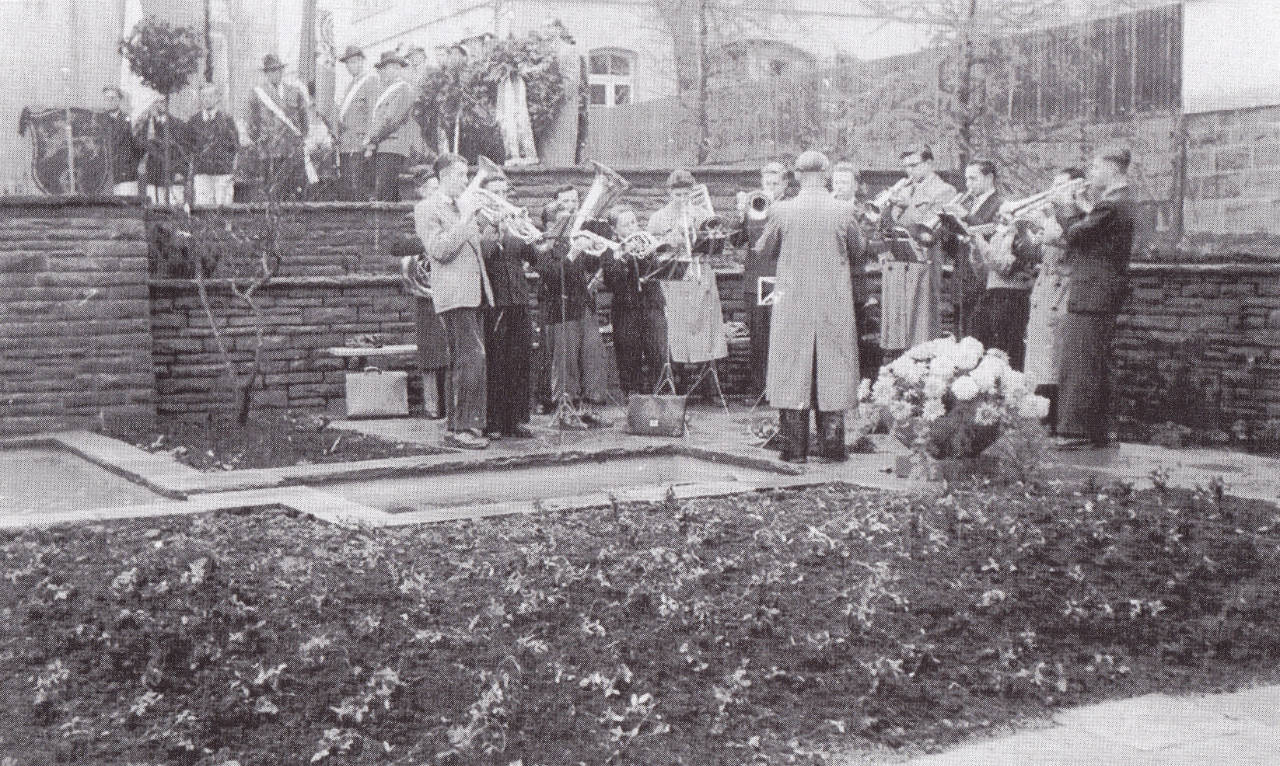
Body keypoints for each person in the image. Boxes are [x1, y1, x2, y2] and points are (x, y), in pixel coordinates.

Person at [756, 150, 866, 464]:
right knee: (834, 367)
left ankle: (794, 449)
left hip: (792, 302)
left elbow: (764, 249)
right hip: (833, 302)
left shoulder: (781, 209)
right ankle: (832, 447)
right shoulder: (843, 209)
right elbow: (859, 250)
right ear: (827, 174)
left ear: (799, 176)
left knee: (792, 367)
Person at [1056, 148, 1136, 449]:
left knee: (1079, 362)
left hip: (1093, 292)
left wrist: (1066, 208)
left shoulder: (1113, 205)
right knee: (1094, 361)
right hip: (1101, 292)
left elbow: (1077, 236)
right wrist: (1082, 206)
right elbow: (1095, 233)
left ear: (1112, 169)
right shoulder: (1116, 203)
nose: (1090, 173)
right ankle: (1096, 430)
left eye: (1095, 167)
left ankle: (1075, 431)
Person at [415, 153, 494, 449]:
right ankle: (462, 428)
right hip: (454, 294)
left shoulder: (458, 208)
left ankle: (460, 426)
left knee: (468, 359)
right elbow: (439, 250)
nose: (467, 180)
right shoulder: (427, 208)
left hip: (472, 292)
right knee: (470, 358)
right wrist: (466, 219)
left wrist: (490, 224)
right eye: (462, 175)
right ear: (445, 176)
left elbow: (475, 252)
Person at [536, 186, 610, 426]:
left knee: (592, 355)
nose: (568, 227)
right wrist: (572, 254)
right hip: (559, 309)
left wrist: (602, 247)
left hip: (582, 305)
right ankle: (565, 408)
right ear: (549, 225)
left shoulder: (573, 241)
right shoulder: (542, 246)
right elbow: (551, 276)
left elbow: (595, 262)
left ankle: (588, 406)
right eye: (562, 222)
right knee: (565, 360)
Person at [1024, 167, 1086, 433]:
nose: (1054, 191)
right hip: (1044, 287)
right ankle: (1040, 415)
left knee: (1055, 354)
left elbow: (1073, 245)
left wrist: (1049, 223)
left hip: (1063, 289)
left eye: (1061, 185)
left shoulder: (1081, 215)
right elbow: (1037, 253)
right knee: (1039, 356)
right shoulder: (1054, 214)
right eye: (1054, 185)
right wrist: (1027, 231)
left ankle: (1055, 417)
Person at [878, 145, 956, 357]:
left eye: (914, 165)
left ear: (929, 164)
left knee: (922, 322)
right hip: (899, 264)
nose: (909, 171)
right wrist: (884, 207)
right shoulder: (904, 189)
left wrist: (907, 205)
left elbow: (931, 230)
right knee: (898, 326)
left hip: (924, 264)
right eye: (906, 167)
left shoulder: (944, 190)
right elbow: (888, 226)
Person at [478, 171, 536, 438]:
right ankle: (494, 421)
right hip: (495, 300)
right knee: (497, 361)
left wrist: (532, 234)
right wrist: (497, 231)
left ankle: (516, 420)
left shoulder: (512, 222)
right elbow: (484, 255)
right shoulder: (480, 220)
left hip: (519, 298)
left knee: (520, 359)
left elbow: (532, 256)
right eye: (496, 193)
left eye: (504, 193)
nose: (502, 198)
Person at [736, 160, 793, 397]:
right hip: (755, 279)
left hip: (777, 279)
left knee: (778, 335)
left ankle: (779, 387)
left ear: (785, 184)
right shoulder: (752, 206)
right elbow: (736, 242)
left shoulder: (790, 207)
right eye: (766, 182)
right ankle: (759, 388)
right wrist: (741, 216)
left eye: (775, 183)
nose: (769, 187)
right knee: (758, 336)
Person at [600, 205, 668, 395]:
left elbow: (660, 271)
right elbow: (611, 281)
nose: (633, 228)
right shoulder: (609, 250)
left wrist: (652, 253)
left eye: (634, 223)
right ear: (614, 230)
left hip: (652, 306)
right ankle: (634, 403)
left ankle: (662, 404)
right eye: (626, 225)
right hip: (626, 310)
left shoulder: (647, 243)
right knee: (629, 359)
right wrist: (624, 257)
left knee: (659, 355)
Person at [403, 167, 450, 420]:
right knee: (431, 352)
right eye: (432, 189)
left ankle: (449, 406)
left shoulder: (444, 212)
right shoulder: (415, 216)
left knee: (449, 350)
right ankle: (433, 407)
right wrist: (430, 242)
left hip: (447, 290)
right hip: (426, 297)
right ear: (420, 192)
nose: (437, 193)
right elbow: (398, 246)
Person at [941, 158, 1003, 337]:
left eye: (973, 179)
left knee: (977, 338)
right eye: (966, 179)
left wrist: (965, 217)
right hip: (961, 280)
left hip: (980, 282)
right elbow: (956, 249)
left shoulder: (999, 203)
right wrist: (948, 228)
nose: (968, 184)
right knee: (960, 338)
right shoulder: (969, 204)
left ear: (989, 177)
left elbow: (991, 235)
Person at [248, 53, 308, 201]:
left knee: (294, 190)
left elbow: (304, 121)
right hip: (269, 151)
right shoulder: (257, 94)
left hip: (291, 150)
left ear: (282, 71)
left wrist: (299, 140)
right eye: (270, 71)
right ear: (266, 74)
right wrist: (261, 141)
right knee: (271, 191)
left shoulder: (295, 92)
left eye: (277, 70)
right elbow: (251, 124)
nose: (274, 74)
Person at [366, 51, 417, 202]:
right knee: (384, 191)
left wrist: (372, 138)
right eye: (382, 69)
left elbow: (391, 120)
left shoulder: (403, 89)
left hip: (394, 146)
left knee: (386, 192)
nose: (383, 73)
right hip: (384, 146)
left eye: (388, 69)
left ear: (397, 69)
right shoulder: (386, 92)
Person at [336, 45, 380, 200]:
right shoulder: (350, 85)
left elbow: (374, 114)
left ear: (362, 61)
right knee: (348, 186)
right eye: (348, 63)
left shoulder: (371, 81)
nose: (351, 66)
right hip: (346, 144)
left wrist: (370, 144)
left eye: (355, 61)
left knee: (358, 187)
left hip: (361, 144)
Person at [189, 84, 240, 207]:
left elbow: (234, 146)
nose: (207, 99)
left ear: (217, 98)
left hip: (222, 172)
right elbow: (189, 145)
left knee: (225, 208)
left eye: (210, 95)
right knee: (202, 208)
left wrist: (228, 164)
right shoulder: (194, 121)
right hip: (202, 173)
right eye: (204, 96)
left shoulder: (227, 120)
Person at [134, 95, 189, 206]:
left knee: (175, 210)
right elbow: (138, 148)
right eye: (158, 102)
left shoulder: (178, 124)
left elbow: (184, 151)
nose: (161, 104)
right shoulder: (147, 125)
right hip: (153, 176)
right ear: (154, 104)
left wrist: (180, 172)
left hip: (172, 174)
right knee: (153, 210)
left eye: (164, 101)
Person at [98, 86, 141, 197]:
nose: (110, 101)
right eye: (107, 98)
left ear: (120, 100)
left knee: (127, 210)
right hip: (104, 177)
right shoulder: (98, 122)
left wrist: (131, 164)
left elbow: (138, 147)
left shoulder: (129, 121)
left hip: (125, 176)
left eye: (113, 98)